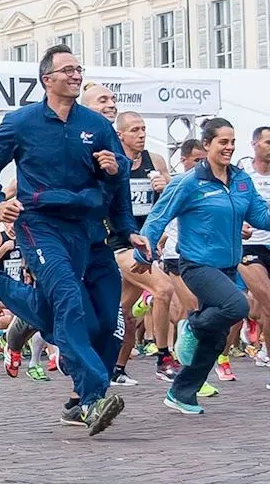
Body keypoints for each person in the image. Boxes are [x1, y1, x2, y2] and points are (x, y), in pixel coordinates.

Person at [0, 45, 130, 437]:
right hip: (39, 225)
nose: (76, 75)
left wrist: (114, 173)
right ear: (47, 79)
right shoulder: (22, 122)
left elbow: (119, 175)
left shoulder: (95, 124)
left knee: (104, 321)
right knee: (69, 300)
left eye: (79, 68)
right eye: (68, 70)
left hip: (86, 228)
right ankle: (92, 396)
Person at [137, 118, 270, 416]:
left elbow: (260, 218)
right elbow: (158, 217)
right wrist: (145, 250)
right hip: (197, 265)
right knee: (238, 306)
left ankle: (182, 393)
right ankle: (192, 324)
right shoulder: (189, 182)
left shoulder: (241, 180)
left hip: (228, 267)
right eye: (223, 142)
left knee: (217, 338)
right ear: (207, 145)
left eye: (232, 142)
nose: (229, 147)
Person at [108, 110, 176, 384]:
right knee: (164, 289)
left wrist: (166, 186)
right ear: (120, 134)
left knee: (124, 312)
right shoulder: (113, 162)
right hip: (120, 244)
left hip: (147, 243)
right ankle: (163, 357)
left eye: (144, 129)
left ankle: (116, 368)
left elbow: (173, 200)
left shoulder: (155, 161)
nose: (141, 134)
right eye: (134, 130)